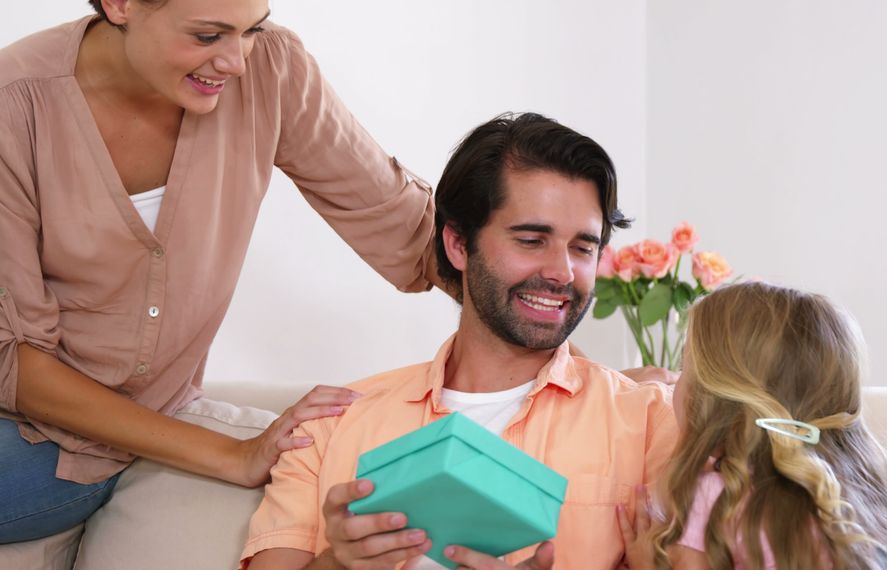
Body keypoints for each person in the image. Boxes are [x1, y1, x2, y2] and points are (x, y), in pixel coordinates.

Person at [0, 0, 440, 544]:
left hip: (71, 447)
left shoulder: (272, 69)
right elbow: (16, 361)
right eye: (208, 35)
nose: (235, 60)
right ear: (120, 4)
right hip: (28, 429)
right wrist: (233, 455)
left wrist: (556, 290)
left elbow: (408, 226)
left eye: (252, 29)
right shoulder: (13, 103)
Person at [242, 112, 679, 570]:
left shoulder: (653, 423)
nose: (562, 272)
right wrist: (339, 564)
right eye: (531, 240)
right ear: (457, 244)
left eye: (583, 248)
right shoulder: (330, 426)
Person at [617, 282, 887, 569]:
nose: (674, 380)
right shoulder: (867, 501)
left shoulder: (716, 500)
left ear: (714, 399)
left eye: (685, 367)